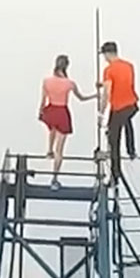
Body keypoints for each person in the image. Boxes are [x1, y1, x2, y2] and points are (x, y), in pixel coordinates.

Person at [39, 54, 97, 189]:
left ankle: (48, 150)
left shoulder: (46, 81)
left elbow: (43, 101)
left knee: (51, 129)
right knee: (60, 150)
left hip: (51, 109)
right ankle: (54, 178)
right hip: (62, 111)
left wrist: (41, 111)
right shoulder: (69, 83)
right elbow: (81, 98)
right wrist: (95, 95)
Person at [98, 41, 139, 185]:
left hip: (118, 107)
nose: (104, 59)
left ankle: (115, 176)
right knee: (126, 121)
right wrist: (103, 83)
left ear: (108, 54)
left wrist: (101, 113)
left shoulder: (109, 70)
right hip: (132, 104)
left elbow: (107, 94)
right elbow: (122, 81)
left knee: (113, 140)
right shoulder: (129, 66)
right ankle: (131, 150)